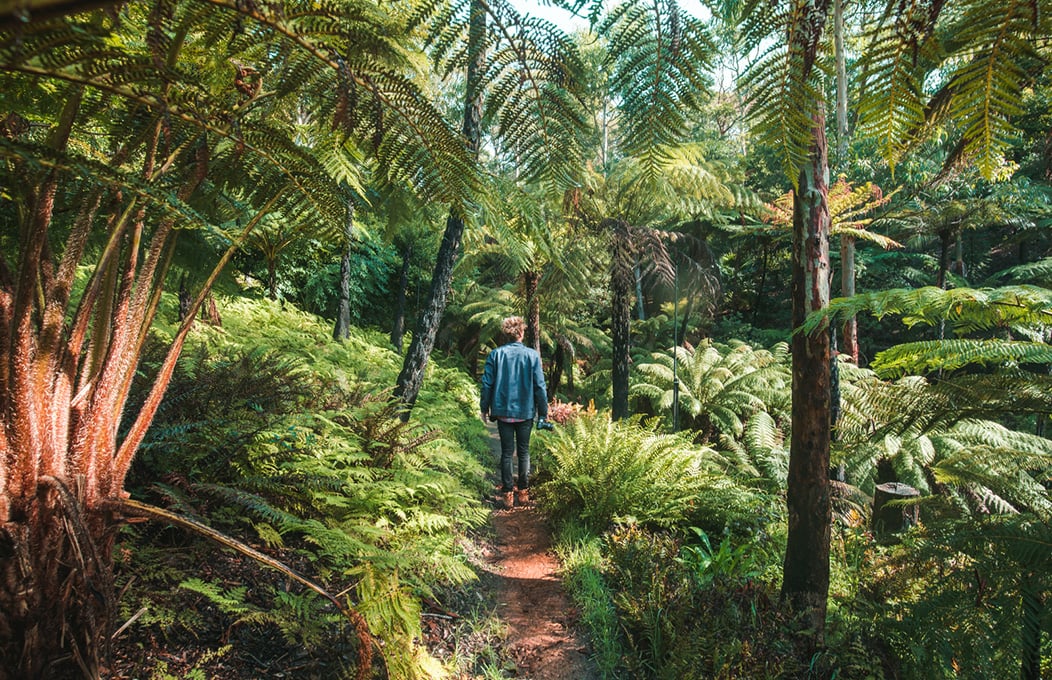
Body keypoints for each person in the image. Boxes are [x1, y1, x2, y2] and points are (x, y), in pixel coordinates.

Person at [479, 316, 549, 509]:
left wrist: (484, 408)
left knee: (507, 453)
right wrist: (543, 412)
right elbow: (540, 387)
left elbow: (487, 384)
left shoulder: (495, 355)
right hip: (525, 411)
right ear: (520, 332)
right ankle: (524, 492)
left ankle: (508, 494)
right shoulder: (532, 355)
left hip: (503, 411)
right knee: (524, 451)